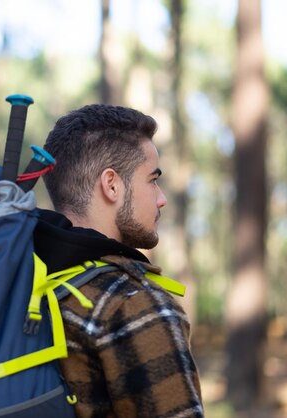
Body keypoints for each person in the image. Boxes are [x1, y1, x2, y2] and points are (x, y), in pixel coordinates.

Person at [33, 104, 204, 418]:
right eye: (152, 180)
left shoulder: (29, 291)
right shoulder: (132, 303)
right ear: (111, 184)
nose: (161, 197)